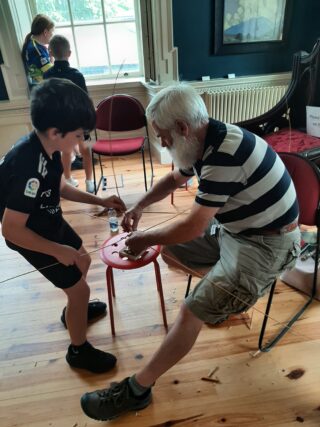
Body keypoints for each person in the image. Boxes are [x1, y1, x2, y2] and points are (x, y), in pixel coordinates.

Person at [80, 83, 301, 420]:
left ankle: (136, 391)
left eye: (162, 136)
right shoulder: (204, 140)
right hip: (236, 230)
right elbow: (173, 180)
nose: (162, 142)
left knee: (189, 310)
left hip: (266, 244)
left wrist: (140, 239)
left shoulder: (225, 154)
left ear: (182, 128)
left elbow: (193, 226)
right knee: (168, 251)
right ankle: (218, 300)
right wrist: (139, 206)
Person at [0, 78, 126, 373]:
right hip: (30, 235)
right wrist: (56, 250)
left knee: (82, 260)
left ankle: (73, 310)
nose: (83, 141)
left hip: (48, 218)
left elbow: (60, 188)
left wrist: (100, 201)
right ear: (56, 132)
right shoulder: (27, 166)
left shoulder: (50, 148)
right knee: (80, 289)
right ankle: (78, 350)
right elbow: (11, 230)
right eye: (80, 134)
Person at [43, 34, 95, 193]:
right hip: (78, 120)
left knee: (65, 150)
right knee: (86, 150)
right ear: (69, 53)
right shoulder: (77, 75)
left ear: (50, 53)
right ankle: (89, 181)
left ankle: (68, 178)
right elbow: (85, 100)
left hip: (60, 121)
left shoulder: (47, 75)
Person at [22, 14, 54, 86]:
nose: (52, 35)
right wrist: (52, 56)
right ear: (45, 32)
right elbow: (52, 74)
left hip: (41, 85)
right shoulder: (36, 50)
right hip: (43, 88)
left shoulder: (33, 44)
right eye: (52, 32)